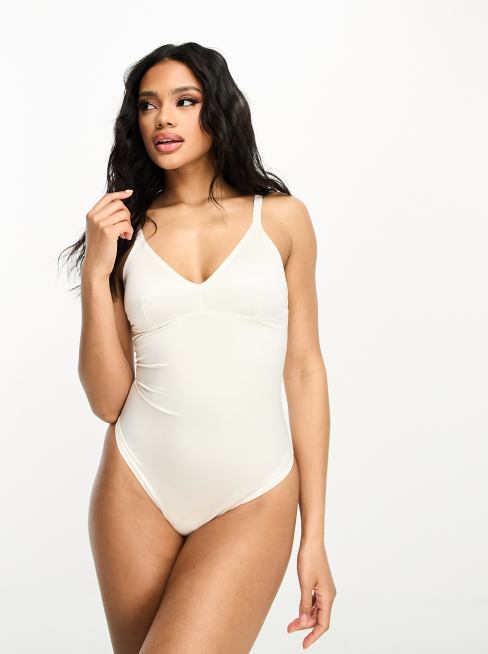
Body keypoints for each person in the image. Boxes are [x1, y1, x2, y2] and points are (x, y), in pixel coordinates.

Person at [65, 42, 336, 652]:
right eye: (148, 105)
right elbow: (107, 401)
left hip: (254, 492)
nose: (163, 118)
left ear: (219, 110)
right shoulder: (125, 233)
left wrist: (314, 536)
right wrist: (96, 271)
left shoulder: (283, 219)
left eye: (184, 101)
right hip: (137, 489)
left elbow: (304, 370)